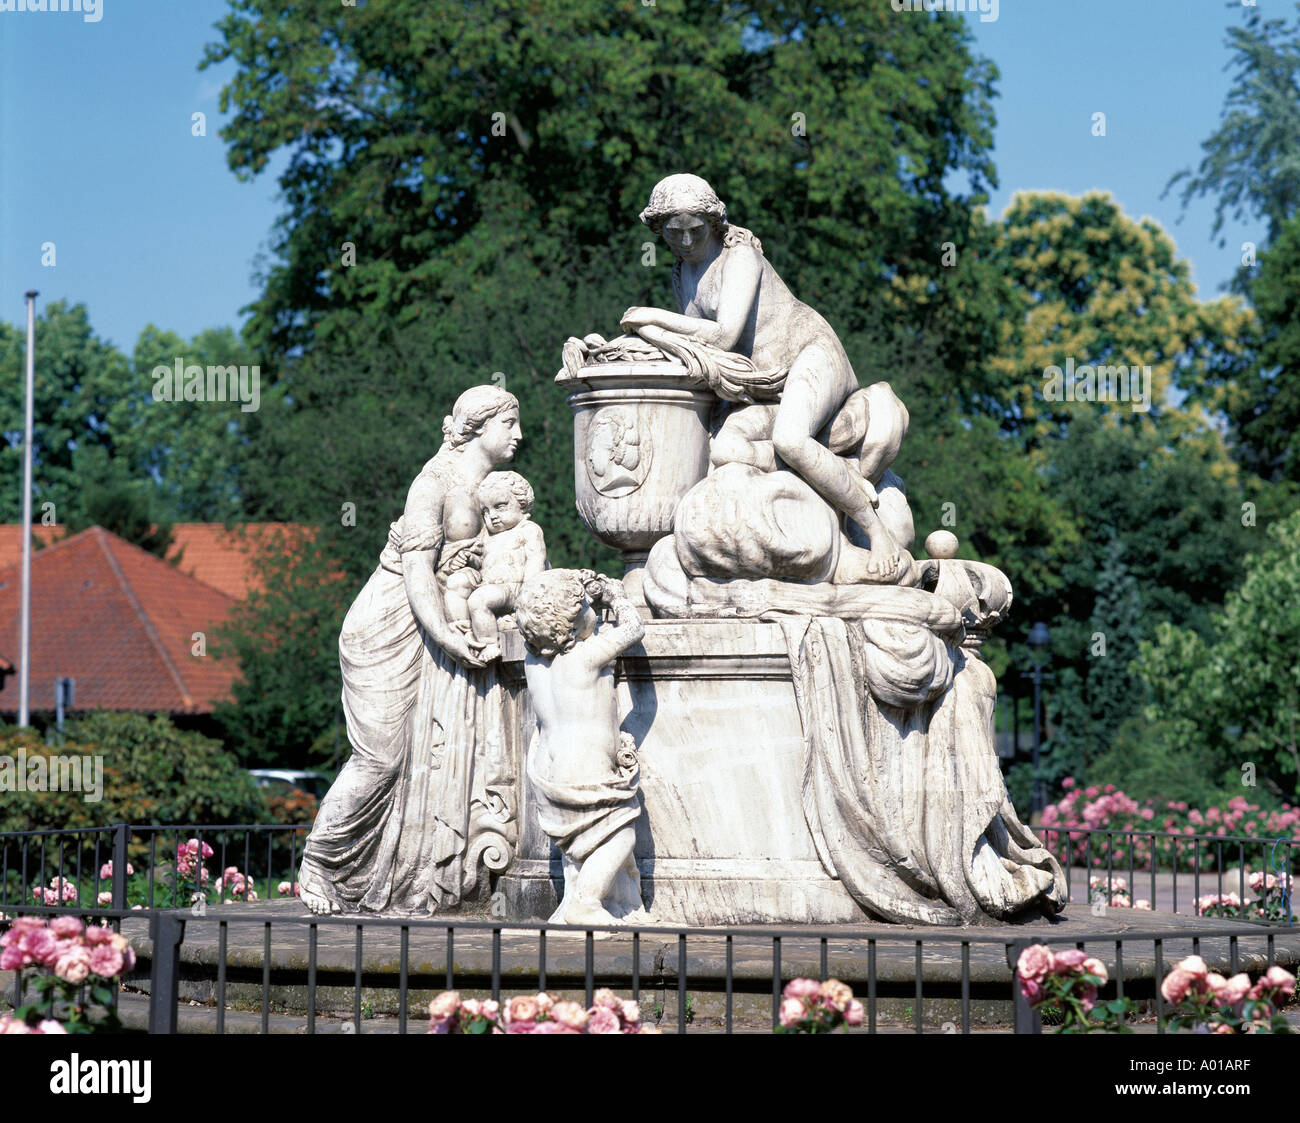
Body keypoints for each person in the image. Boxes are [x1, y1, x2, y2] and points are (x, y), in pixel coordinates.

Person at [297, 385, 523, 916]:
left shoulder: (493, 488)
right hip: (389, 623)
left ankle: (412, 875)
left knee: (426, 761)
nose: (519, 435)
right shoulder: (434, 483)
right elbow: (419, 575)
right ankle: (319, 862)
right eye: (509, 423)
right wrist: (448, 635)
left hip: (438, 625)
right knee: (381, 759)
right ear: (477, 426)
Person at [624, 173, 907, 584]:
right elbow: (699, 350)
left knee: (791, 439)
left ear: (714, 223)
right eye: (674, 233)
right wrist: (646, 338)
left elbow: (724, 334)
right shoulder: (682, 272)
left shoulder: (739, 257)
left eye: (695, 231)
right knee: (722, 451)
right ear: (658, 229)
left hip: (809, 354)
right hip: (764, 387)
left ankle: (877, 534)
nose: (685, 242)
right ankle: (820, 471)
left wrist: (649, 318)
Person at [515, 570, 646, 925]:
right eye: (586, 606)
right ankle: (585, 901)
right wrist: (617, 597)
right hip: (584, 767)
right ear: (572, 626)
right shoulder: (587, 657)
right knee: (620, 834)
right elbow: (634, 629)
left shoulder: (534, 663)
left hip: (549, 768)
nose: (593, 608)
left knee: (577, 844)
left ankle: (608, 903)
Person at [444, 471, 548, 662]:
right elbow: (483, 562)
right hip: (489, 584)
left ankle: (490, 643)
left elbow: (536, 563)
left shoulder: (528, 530)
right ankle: (464, 629)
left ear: (522, 503)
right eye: (485, 511)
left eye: (500, 506)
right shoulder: (487, 536)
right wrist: (468, 560)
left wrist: (528, 600)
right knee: (456, 582)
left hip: (515, 590)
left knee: (479, 599)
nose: (492, 516)